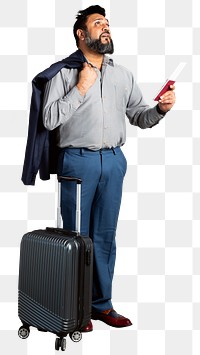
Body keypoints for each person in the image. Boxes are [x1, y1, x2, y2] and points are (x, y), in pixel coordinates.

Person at [42, 5, 175, 331]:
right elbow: (49, 119)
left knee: (104, 237)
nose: (106, 28)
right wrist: (82, 87)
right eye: (98, 23)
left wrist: (160, 109)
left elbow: (140, 117)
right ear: (81, 34)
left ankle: (101, 305)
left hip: (113, 162)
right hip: (77, 162)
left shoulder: (122, 74)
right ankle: (74, 309)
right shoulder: (63, 74)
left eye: (107, 23)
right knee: (76, 238)